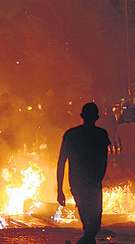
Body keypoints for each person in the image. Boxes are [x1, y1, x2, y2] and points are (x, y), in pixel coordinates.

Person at [57, 103, 110, 244]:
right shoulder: (101, 134)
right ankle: (86, 240)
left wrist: (60, 190)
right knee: (94, 221)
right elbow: (104, 160)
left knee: (87, 220)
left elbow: (61, 162)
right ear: (97, 117)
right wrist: (100, 178)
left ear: (81, 116)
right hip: (93, 182)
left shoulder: (71, 134)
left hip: (77, 182)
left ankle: (85, 240)